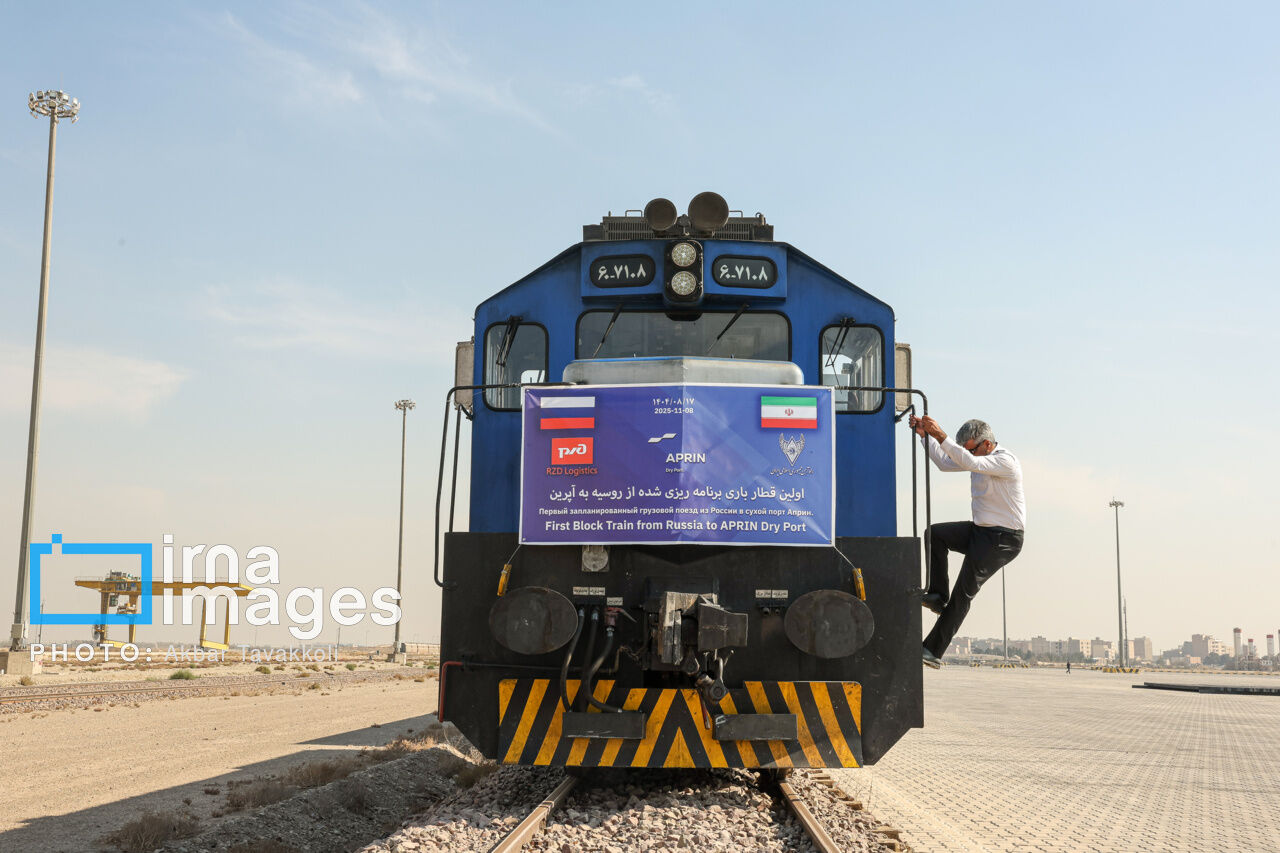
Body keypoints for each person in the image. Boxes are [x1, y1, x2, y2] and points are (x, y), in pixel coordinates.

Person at [908, 415, 1025, 669]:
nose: (967, 454)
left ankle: (932, 650)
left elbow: (968, 461)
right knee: (935, 534)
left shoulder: (1005, 461)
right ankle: (938, 594)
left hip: (1003, 539)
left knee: (964, 593)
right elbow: (944, 462)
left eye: (970, 448)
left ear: (986, 444)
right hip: (980, 531)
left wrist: (940, 434)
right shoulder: (976, 458)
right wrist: (925, 437)